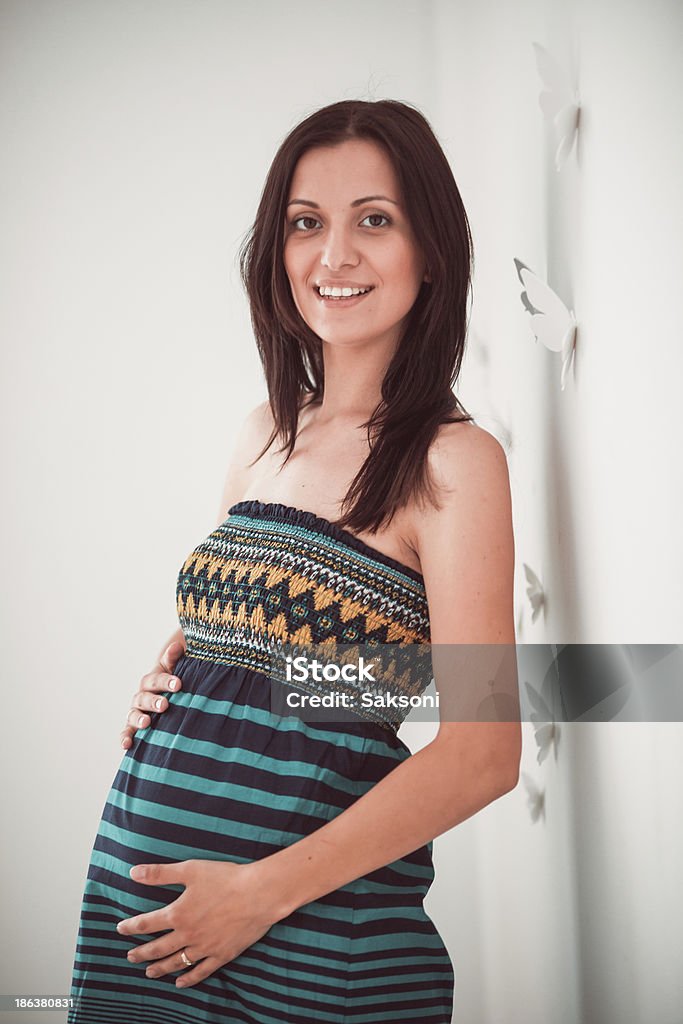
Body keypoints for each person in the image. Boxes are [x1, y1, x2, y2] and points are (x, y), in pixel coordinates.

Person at [68, 98, 521, 1024]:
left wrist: (260, 894)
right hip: (146, 928)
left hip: (306, 947)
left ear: (429, 250)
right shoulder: (261, 434)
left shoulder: (452, 461)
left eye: (375, 220)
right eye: (306, 223)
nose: (334, 255)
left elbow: (483, 750)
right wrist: (173, 675)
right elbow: (281, 647)